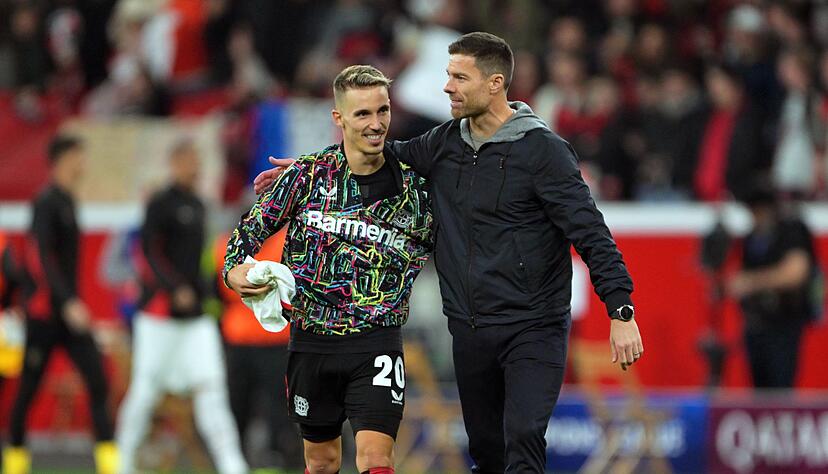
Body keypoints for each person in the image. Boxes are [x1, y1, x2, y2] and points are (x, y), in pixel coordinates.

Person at [255, 33, 643, 473]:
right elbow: (380, 156)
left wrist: (621, 309)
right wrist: (312, 169)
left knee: (523, 436)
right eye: (448, 75)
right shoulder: (444, 143)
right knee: (486, 451)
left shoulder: (544, 153)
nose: (447, 87)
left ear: (495, 83)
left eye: (459, 77)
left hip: (532, 326)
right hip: (471, 328)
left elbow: (591, 232)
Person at [224, 65, 433, 474]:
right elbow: (247, 234)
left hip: (377, 341)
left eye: (382, 111)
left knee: (376, 458)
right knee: (321, 461)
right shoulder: (307, 176)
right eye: (362, 114)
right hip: (311, 340)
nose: (376, 124)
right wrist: (234, 272)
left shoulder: (418, 188)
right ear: (339, 118)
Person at [115, 140, 247, 474]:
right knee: (144, 392)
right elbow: (148, 252)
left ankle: (233, 465)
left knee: (212, 390)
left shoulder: (200, 205)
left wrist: (208, 295)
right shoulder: (160, 203)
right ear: (174, 163)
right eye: (190, 161)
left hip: (196, 318)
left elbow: (203, 260)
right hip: (159, 317)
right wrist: (173, 289)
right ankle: (121, 463)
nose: (196, 168)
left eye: (198, 161)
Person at [5, 135, 118, 474]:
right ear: (64, 159)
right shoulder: (47, 202)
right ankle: (15, 464)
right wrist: (67, 301)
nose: (83, 164)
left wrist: (72, 303)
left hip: (69, 317)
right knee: (28, 390)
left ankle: (110, 465)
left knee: (98, 381)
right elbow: (39, 256)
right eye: (80, 157)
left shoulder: (69, 200)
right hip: (44, 315)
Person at [211, 227, 303, 470]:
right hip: (247, 338)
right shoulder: (226, 244)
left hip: (269, 340)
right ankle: (237, 461)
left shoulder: (228, 243)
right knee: (240, 406)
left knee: (277, 408)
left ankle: (280, 456)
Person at [727, 186, 817, 388]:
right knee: (760, 387)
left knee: (781, 384)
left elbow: (795, 273)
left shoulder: (792, 231)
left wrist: (751, 282)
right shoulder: (751, 239)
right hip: (756, 324)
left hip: (784, 324)